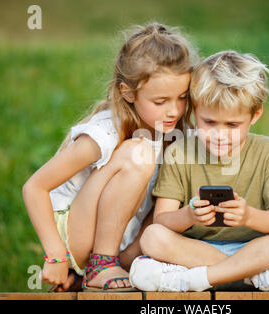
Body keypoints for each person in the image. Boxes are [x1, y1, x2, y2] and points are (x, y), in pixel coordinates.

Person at [22, 22, 197, 292]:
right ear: (128, 93)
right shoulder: (105, 132)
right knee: (138, 152)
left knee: (182, 187)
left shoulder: (176, 135)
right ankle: (100, 265)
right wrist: (55, 255)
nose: (174, 110)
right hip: (76, 233)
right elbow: (34, 187)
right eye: (160, 102)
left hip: (125, 243)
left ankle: (92, 275)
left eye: (182, 98)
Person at [129, 50, 269, 292]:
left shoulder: (267, 150)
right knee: (152, 237)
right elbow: (163, 220)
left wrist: (248, 217)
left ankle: (199, 279)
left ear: (255, 115)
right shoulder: (179, 152)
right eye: (209, 122)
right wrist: (189, 216)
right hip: (196, 250)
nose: (220, 134)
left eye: (233, 125)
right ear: (194, 111)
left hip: (254, 248)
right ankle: (255, 276)